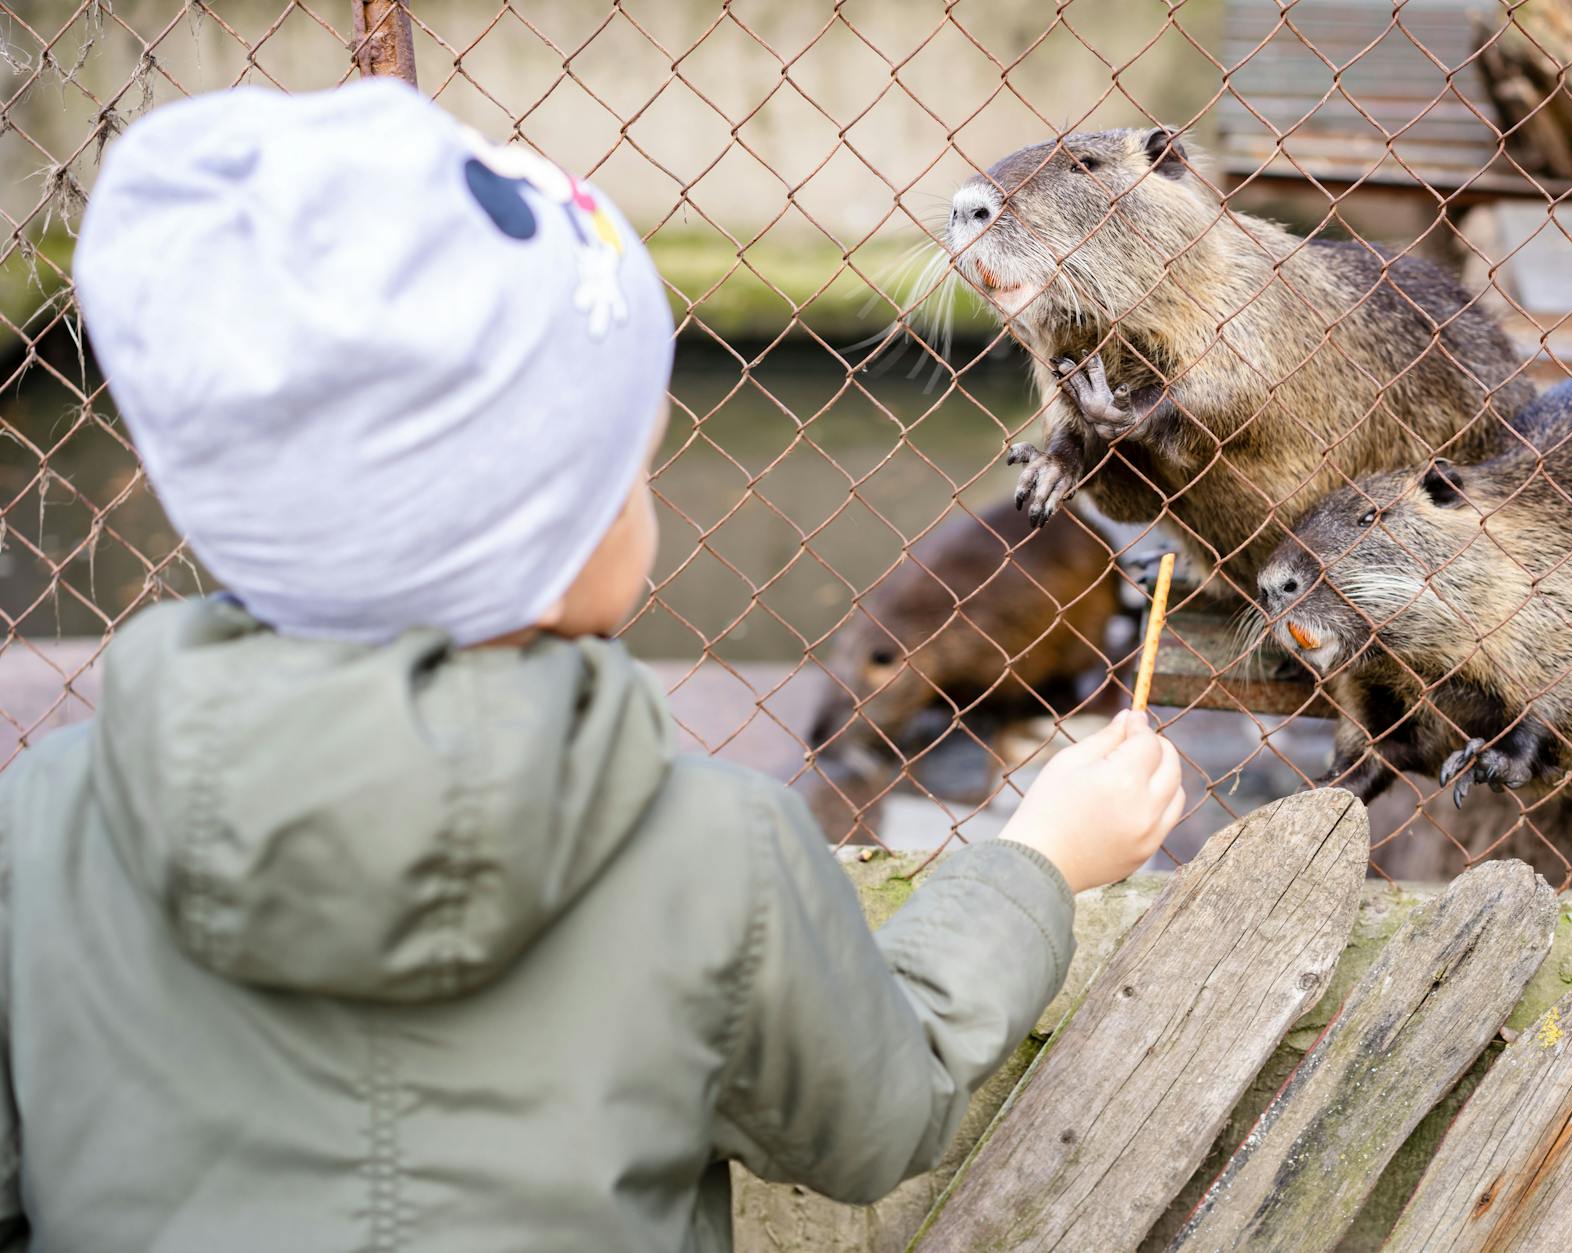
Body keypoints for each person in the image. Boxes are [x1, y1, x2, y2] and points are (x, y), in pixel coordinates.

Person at [0, 80, 1185, 1251]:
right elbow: (882, 1111)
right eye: (624, 467)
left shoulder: (36, 828)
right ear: (549, 534)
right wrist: (1037, 859)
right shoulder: (718, 854)